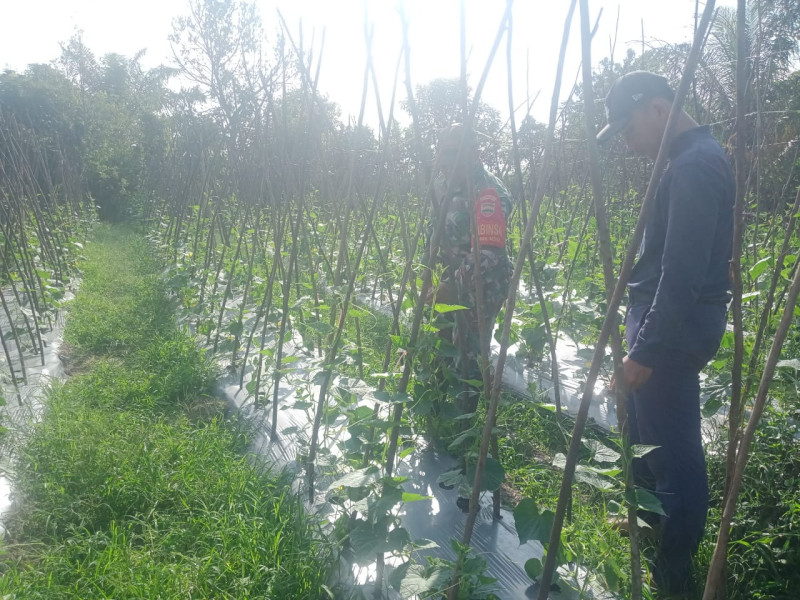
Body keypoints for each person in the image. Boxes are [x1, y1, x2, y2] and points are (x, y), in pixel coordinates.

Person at [599, 71, 734, 597]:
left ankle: (672, 571)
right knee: (647, 440)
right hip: (663, 327)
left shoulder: (695, 166)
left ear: (658, 107)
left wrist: (646, 350)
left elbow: (680, 274)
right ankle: (653, 525)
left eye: (628, 126)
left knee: (675, 456)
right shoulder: (687, 161)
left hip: (670, 337)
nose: (627, 142)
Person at [430, 123, 513, 433]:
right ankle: (437, 412)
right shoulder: (443, 186)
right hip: (448, 281)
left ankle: (464, 426)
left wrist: (453, 284)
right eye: (443, 154)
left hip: (482, 285)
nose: (446, 162)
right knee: (440, 342)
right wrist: (431, 277)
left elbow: (488, 254)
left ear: (474, 152)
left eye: (453, 154)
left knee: (470, 351)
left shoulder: (489, 192)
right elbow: (434, 233)